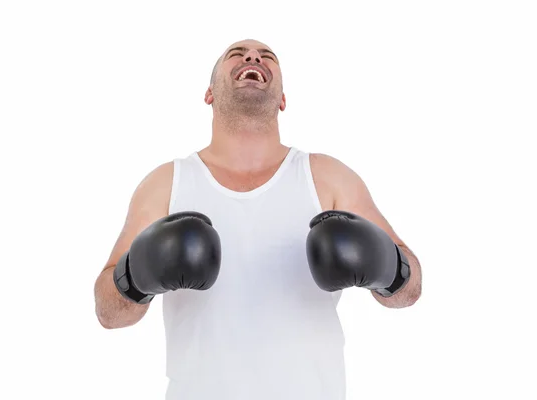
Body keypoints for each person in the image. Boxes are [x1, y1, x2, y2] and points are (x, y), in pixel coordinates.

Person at [93, 38, 422, 400]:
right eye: (238, 54)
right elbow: (109, 314)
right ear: (209, 94)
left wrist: (384, 264)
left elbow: (410, 291)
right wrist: (137, 276)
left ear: (282, 99)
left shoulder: (327, 177)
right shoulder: (166, 183)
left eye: (268, 57)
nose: (253, 56)